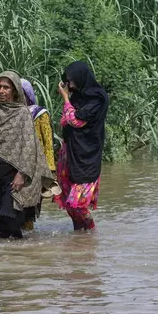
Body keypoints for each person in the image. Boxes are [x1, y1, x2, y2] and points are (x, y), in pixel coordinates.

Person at [0, 71, 55, 239]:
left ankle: (21, 257)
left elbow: (29, 147)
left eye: (6, 87)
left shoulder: (22, 114)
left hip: (13, 174)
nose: (1, 91)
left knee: (10, 217)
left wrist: (22, 175)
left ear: (14, 91)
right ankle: (8, 259)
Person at [55, 61, 109, 231]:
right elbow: (64, 122)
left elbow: (75, 120)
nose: (69, 84)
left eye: (71, 80)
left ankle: (91, 231)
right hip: (70, 153)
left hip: (87, 155)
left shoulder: (97, 98)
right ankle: (79, 240)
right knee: (69, 204)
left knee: (78, 203)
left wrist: (65, 98)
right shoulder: (78, 97)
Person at [20, 78, 56, 231]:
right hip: (15, 166)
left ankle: (29, 244)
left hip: (35, 167)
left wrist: (50, 170)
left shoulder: (39, 114)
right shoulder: (10, 114)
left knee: (29, 208)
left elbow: (48, 143)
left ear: (27, 94)